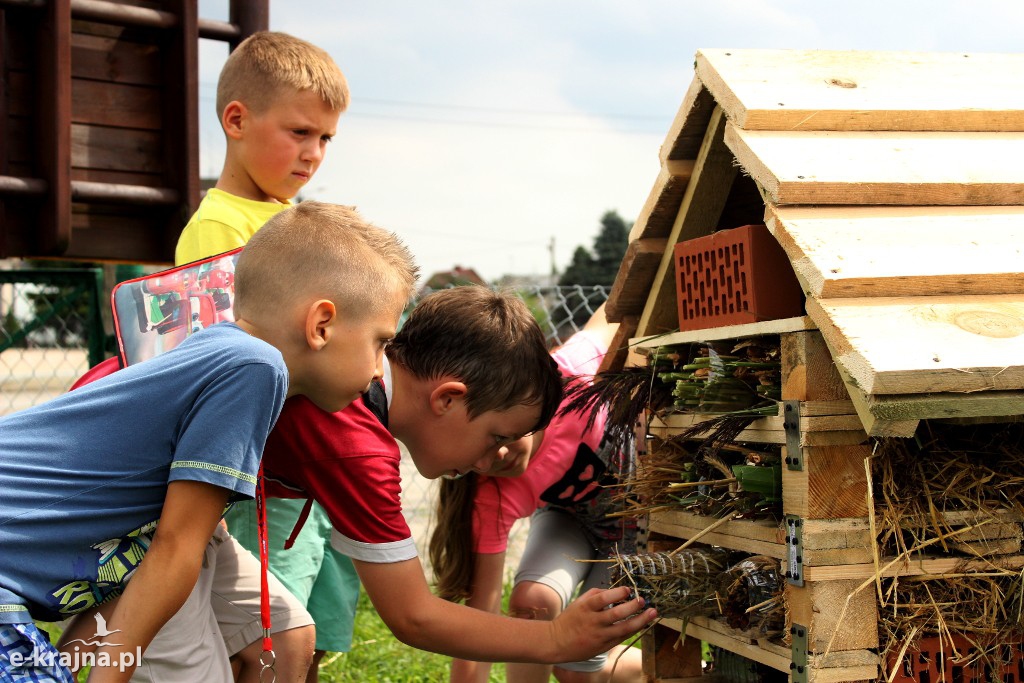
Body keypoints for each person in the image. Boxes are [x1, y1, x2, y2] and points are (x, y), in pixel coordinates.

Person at [0, 202, 419, 683]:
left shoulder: (226, 351)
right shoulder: (255, 370)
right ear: (321, 325)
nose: (375, 370)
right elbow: (175, 548)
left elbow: (142, 547)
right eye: (380, 341)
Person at [254, 285, 659, 666]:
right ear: (447, 398)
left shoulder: (357, 381)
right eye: (494, 437)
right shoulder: (357, 444)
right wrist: (556, 639)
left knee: (288, 640)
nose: (487, 464)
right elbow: (413, 615)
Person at [172, 29, 357, 683]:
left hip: (306, 474)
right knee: (259, 639)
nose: (313, 154)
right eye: (300, 132)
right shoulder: (221, 227)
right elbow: (227, 359)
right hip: (258, 479)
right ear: (237, 120)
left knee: (307, 631)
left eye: (326, 139)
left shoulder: (293, 222)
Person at [429, 304, 644, 683]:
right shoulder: (491, 491)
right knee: (531, 604)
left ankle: (656, 672)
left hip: (640, 527)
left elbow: (614, 313)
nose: (491, 458)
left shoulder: (568, 377)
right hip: (571, 521)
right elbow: (482, 617)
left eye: (499, 435)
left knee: (574, 671)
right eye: (472, 453)